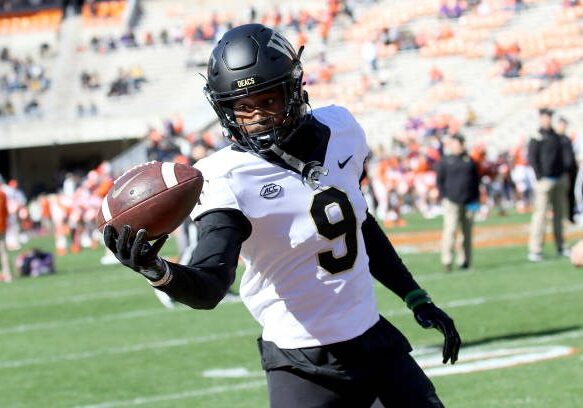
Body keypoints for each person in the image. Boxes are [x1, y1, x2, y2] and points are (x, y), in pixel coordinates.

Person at [103, 24, 461, 407]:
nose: (257, 117)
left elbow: (357, 221)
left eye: (269, 101)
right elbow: (210, 285)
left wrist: (415, 296)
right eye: (242, 107)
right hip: (303, 364)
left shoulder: (341, 129)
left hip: (375, 343)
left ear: (293, 90)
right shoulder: (226, 178)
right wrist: (157, 270)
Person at [527, 108, 569, 262]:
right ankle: (536, 249)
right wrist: (539, 177)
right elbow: (532, 158)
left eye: (549, 117)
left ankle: (561, 245)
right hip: (544, 181)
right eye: (544, 118)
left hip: (559, 179)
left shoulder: (557, 136)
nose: (547, 120)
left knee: (560, 216)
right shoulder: (537, 137)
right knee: (540, 216)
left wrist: (563, 172)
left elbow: (564, 156)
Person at [436, 134, 480, 271]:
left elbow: (475, 181)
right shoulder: (445, 161)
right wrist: (444, 196)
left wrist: (476, 200)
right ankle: (447, 260)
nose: (458, 146)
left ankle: (465, 260)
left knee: (467, 234)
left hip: (468, 202)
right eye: (456, 144)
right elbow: (440, 181)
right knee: (450, 231)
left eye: (460, 144)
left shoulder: (469, 161)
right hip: (452, 202)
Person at [556, 116, 577, 223]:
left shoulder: (566, 139)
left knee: (570, 194)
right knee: (561, 196)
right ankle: (562, 217)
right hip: (561, 172)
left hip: (571, 172)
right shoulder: (555, 139)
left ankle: (570, 216)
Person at [0, 180, 12, 282]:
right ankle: (7, 275)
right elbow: (6, 211)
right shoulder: (3, 194)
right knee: (3, 251)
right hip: (2, 225)